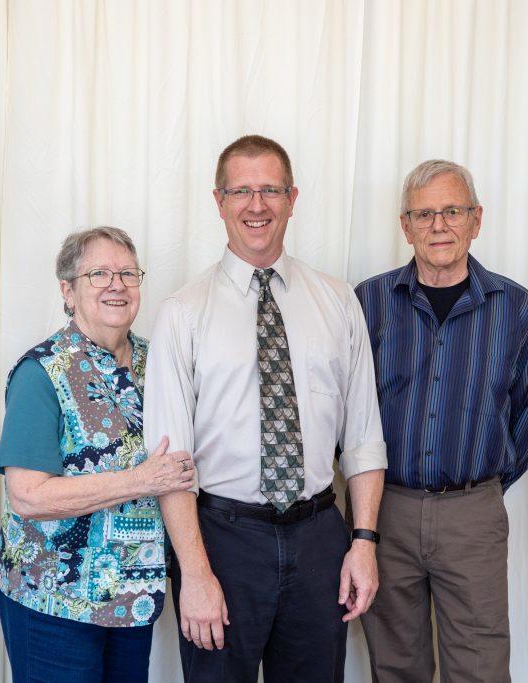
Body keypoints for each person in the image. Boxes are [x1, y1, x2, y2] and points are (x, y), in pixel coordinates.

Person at [143, 134, 387, 682]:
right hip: (223, 541)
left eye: (271, 190)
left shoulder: (337, 300)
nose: (258, 205)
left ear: (293, 198)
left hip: (321, 534)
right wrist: (196, 572)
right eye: (242, 191)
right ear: (219, 200)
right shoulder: (182, 313)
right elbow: (170, 465)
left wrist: (363, 543)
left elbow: (365, 437)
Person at [355, 160, 528, 683]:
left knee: (481, 669)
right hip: (384, 512)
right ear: (405, 225)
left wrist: (479, 491)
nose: (438, 225)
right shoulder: (367, 302)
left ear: (476, 219)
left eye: (452, 211)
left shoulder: (515, 307)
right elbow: (344, 415)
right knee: (395, 665)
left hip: (473, 514)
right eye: (424, 213)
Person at [0, 226, 196, 683]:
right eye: (99, 274)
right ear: (68, 291)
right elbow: (28, 496)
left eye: (127, 273)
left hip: (133, 601)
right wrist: (143, 480)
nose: (116, 284)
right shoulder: (41, 372)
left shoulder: (158, 360)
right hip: (53, 602)